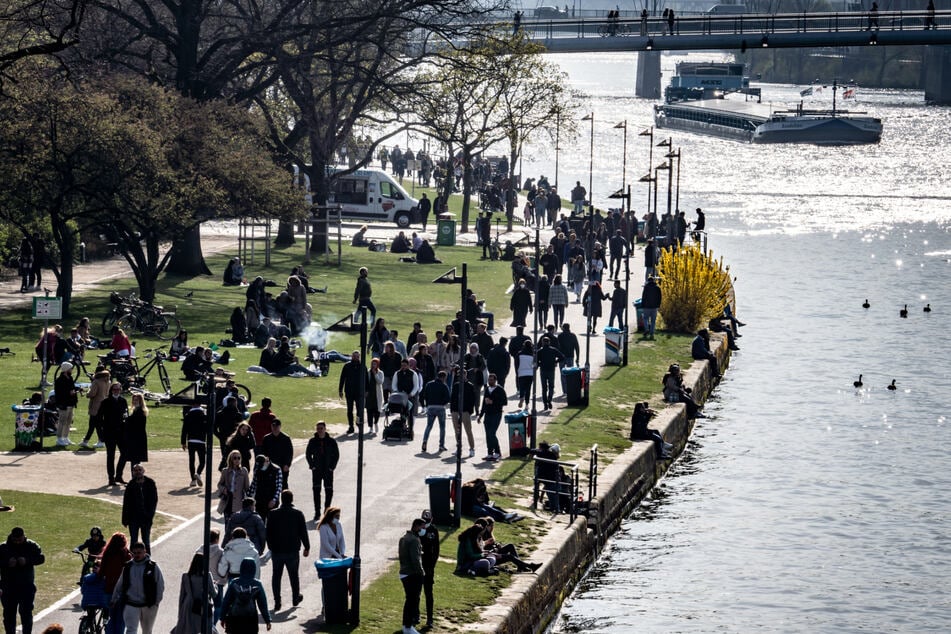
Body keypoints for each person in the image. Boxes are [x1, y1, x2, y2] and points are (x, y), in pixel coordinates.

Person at [265, 490, 309, 612]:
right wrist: (307, 547)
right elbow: (303, 532)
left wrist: (270, 546)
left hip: (277, 550)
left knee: (276, 576)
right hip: (292, 550)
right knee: (294, 575)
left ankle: (277, 601)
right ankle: (295, 597)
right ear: (292, 499)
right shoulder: (298, 513)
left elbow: (268, 532)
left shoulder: (273, 514)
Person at [111, 541, 164, 634]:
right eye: (134, 553)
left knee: (147, 631)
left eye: (139, 553)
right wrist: (114, 599)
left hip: (148, 605)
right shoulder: (128, 566)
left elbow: (160, 585)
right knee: (131, 630)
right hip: (131, 604)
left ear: (145, 551)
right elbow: (120, 584)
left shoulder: (152, 567)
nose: (136, 555)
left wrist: (156, 602)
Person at [0, 527, 45, 634]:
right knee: (9, 614)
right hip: (8, 587)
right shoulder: (3, 547)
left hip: (26, 586)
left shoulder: (31, 545)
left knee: (26, 613)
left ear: (24, 536)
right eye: (15, 540)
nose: (18, 543)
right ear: (11, 538)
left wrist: (27, 561)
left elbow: (41, 558)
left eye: (20, 540)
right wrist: (7, 562)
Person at [219, 558, 271, 632]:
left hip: (235, 617)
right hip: (250, 618)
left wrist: (222, 617)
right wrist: (267, 620)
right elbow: (262, 604)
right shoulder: (257, 584)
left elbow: (226, 601)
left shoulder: (234, 582)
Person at [172, 553, 215, 634]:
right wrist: (215, 586)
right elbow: (214, 594)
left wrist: (180, 613)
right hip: (203, 606)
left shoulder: (186, 576)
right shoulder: (207, 576)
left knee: (189, 630)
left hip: (188, 606)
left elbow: (182, 596)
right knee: (204, 628)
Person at [306, 421, 339, 519]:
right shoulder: (312, 441)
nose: (319, 430)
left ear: (325, 429)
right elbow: (308, 454)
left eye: (321, 428)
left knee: (329, 490)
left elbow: (336, 455)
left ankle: (327, 510)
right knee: (316, 490)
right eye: (318, 428)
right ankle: (317, 511)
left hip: (328, 470)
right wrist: (312, 465)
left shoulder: (331, 441)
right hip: (317, 470)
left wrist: (332, 467)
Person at [122, 464, 158, 554]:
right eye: (135, 470)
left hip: (146, 518)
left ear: (143, 471)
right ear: (133, 472)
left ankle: (148, 559)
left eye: (139, 470)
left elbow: (154, 500)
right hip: (133, 518)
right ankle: (132, 561)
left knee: (146, 540)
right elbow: (126, 503)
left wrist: (150, 515)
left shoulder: (150, 483)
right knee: (133, 541)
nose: (138, 472)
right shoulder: (131, 484)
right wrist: (125, 519)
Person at [398, 519, 426, 634]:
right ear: (416, 526)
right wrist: (421, 572)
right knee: (413, 600)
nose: (423, 530)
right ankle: (408, 626)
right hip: (412, 574)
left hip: (404, 572)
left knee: (410, 600)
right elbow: (415, 560)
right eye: (422, 527)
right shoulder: (414, 540)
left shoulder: (404, 538)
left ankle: (407, 626)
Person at [478, 373, 507, 461]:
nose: (490, 382)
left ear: (495, 380)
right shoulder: (487, 389)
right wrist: (480, 415)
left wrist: (493, 402)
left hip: (496, 414)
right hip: (488, 414)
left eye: (491, 380)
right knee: (487, 435)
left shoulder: (500, 389)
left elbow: (504, 402)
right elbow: (484, 403)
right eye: (489, 380)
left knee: (492, 433)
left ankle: (498, 452)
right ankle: (490, 453)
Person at [450, 367, 477, 459]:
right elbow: (453, 398)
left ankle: (472, 448)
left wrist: (470, 411)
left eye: (463, 374)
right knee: (457, 431)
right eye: (459, 375)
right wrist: (452, 410)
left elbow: (473, 399)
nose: (461, 376)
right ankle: (459, 447)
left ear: (466, 375)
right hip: (455, 410)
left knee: (468, 430)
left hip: (465, 411)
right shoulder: (456, 385)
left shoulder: (470, 385)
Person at [421, 370, 451, 453]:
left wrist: (428, 404)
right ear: (443, 377)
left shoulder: (429, 384)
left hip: (431, 407)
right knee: (442, 427)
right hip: (440, 407)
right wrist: (443, 403)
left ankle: (425, 441)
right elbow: (448, 398)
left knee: (429, 426)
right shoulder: (444, 386)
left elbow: (425, 395)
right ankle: (441, 445)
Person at [418, 511, 439, 629]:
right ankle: (416, 615)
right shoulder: (417, 530)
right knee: (416, 592)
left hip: (428, 565)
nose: (425, 524)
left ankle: (430, 618)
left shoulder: (433, 531)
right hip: (417, 565)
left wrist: (432, 566)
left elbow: (436, 550)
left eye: (427, 521)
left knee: (428, 593)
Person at [80, 367, 110, 448]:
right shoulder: (107, 381)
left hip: (96, 404)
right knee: (95, 424)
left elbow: (92, 394)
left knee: (95, 424)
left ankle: (99, 440)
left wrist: (88, 392)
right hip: (103, 404)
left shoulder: (96, 381)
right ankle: (86, 440)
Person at [249, 454, 283, 523]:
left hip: (272, 501)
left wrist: (273, 500)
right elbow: (254, 484)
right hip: (260, 501)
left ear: (266, 461)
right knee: (260, 523)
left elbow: (279, 487)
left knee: (272, 523)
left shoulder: (276, 470)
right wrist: (248, 496)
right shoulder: (258, 469)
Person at [217, 452, 251, 520]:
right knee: (228, 524)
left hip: (239, 502)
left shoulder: (244, 471)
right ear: (231, 459)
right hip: (228, 500)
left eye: (239, 458)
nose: (237, 460)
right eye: (235, 458)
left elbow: (247, 487)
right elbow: (219, 484)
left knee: (237, 524)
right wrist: (224, 489)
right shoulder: (225, 471)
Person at [338, 350, 365, 434]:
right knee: (349, 410)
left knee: (359, 409)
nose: (355, 358)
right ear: (352, 357)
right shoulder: (347, 366)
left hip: (359, 392)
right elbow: (342, 378)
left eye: (357, 356)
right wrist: (340, 390)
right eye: (354, 356)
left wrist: (367, 390)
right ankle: (351, 426)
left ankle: (358, 423)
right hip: (349, 391)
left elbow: (366, 379)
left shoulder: (362, 366)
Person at [181, 405, 207, 488]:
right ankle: (198, 473)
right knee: (202, 461)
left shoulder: (188, 415)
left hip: (191, 441)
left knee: (191, 461)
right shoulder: (204, 415)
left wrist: (183, 442)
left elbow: (184, 430)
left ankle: (193, 480)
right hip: (201, 441)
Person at [53, 360, 78, 446]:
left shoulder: (70, 378)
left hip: (70, 403)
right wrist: (70, 393)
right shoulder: (59, 380)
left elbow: (73, 387)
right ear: (66, 370)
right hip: (63, 403)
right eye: (71, 369)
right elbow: (60, 392)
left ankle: (66, 437)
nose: (72, 370)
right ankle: (59, 438)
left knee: (68, 421)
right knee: (62, 421)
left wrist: (77, 390)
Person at [536, 338, 564, 411]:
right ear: (549, 342)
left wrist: (539, 364)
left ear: (542, 343)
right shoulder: (553, 350)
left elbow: (536, 361)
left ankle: (545, 404)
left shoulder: (540, 351)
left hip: (543, 370)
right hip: (551, 370)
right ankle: (549, 399)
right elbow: (562, 357)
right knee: (551, 386)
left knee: (544, 388)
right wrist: (556, 361)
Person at [123, 393, 149, 467]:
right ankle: (135, 477)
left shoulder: (139, 411)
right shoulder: (137, 410)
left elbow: (135, 424)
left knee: (135, 461)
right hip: (136, 438)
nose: (134, 401)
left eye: (137, 400)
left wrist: (126, 419)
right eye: (134, 400)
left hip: (137, 439)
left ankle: (135, 477)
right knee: (135, 460)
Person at [514, 339, 534, 409]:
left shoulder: (519, 354)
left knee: (522, 387)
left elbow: (516, 364)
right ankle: (527, 404)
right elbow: (534, 365)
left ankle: (521, 397)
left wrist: (517, 372)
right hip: (530, 373)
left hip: (521, 373)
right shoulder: (533, 354)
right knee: (528, 389)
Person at [366, 357, 385, 432]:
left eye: (375, 364)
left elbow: (380, 382)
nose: (373, 365)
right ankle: (370, 427)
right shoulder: (368, 372)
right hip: (370, 394)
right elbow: (366, 382)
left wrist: (375, 374)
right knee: (369, 411)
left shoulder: (380, 373)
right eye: (372, 364)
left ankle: (376, 422)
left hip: (377, 394)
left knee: (377, 410)